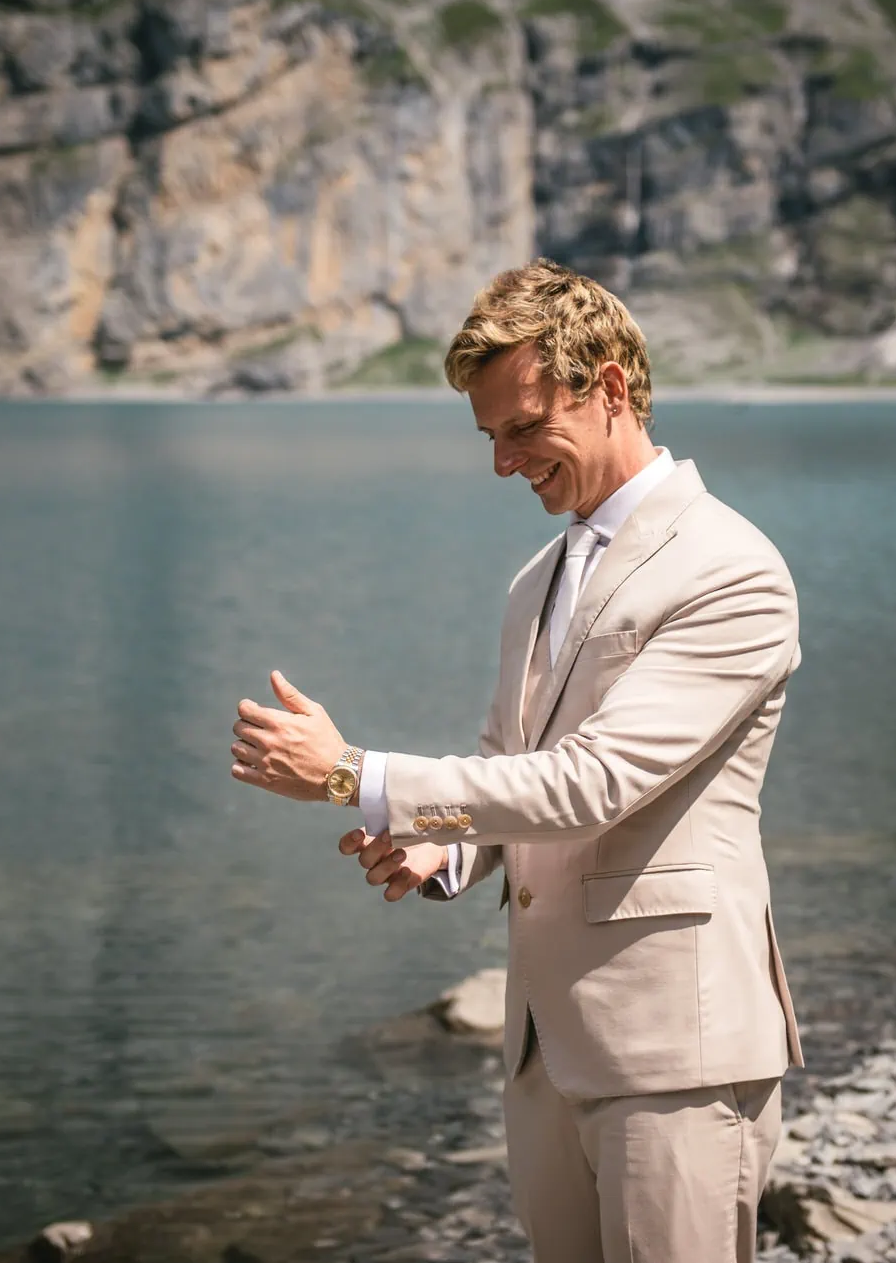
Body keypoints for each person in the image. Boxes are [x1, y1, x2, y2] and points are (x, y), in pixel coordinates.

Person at [229, 258, 803, 1263]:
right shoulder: (537, 577)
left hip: (677, 1047)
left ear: (610, 388)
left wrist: (351, 774)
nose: (504, 463)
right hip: (543, 1050)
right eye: (491, 437)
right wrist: (442, 856)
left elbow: (594, 781)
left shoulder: (732, 569)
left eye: (523, 429)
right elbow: (511, 765)